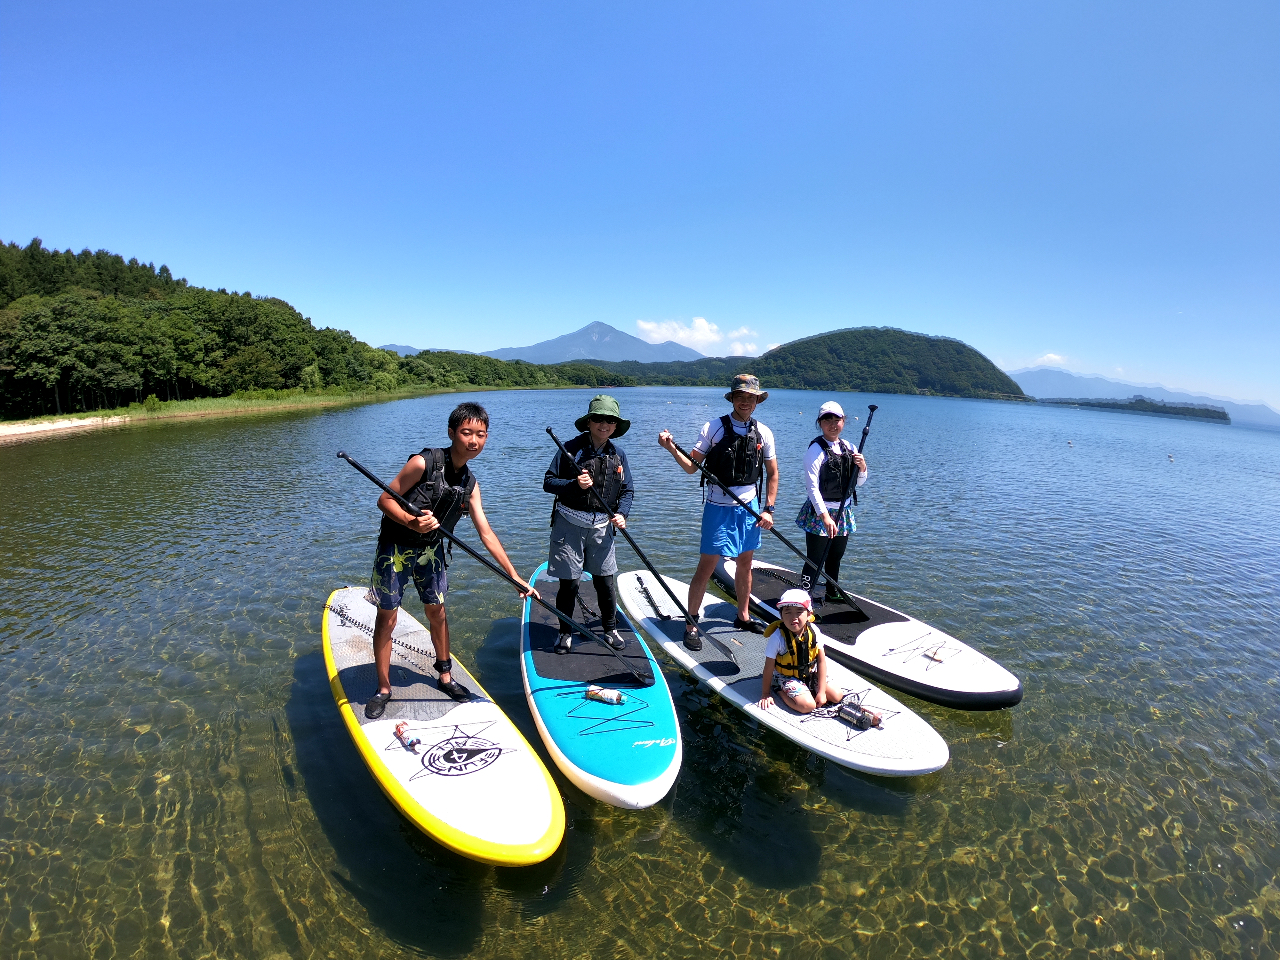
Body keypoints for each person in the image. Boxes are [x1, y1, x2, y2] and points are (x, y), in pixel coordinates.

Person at [365, 401, 537, 720]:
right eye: (466, 432)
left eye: (481, 435)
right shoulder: (423, 462)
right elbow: (384, 498)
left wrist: (513, 576)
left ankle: (445, 675)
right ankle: (383, 688)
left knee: (438, 612)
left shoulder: (470, 485)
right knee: (387, 617)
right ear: (451, 433)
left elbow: (485, 532)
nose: (474, 440)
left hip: (431, 551)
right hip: (396, 549)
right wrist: (410, 521)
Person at [658, 373, 779, 649]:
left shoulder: (764, 433)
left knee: (745, 564)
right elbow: (691, 466)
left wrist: (768, 509)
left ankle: (743, 615)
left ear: (757, 401)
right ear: (732, 398)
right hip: (718, 508)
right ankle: (691, 622)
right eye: (740, 396)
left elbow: (772, 474)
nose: (745, 402)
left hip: (750, 511)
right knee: (707, 567)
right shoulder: (713, 427)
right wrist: (670, 448)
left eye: (751, 397)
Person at [543, 395, 635, 654]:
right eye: (598, 419)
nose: (603, 424)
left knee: (605, 581)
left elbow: (627, 491)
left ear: (616, 426)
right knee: (569, 583)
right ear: (589, 422)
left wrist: (623, 514)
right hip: (569, 523)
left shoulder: (619, 455)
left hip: (603, 526)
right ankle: (564, 633)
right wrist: (574, 485)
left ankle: (610, 629)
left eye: (610, 420)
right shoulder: (570, 450)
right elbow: (548, 482)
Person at [797, 400, 867, 604]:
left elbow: (859, 483)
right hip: (821, 513)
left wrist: (862, 467)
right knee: (815, 559)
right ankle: (804, 599)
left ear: (843, 422)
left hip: (843, 512)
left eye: (837, 419)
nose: (833, 423)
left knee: (836, 556)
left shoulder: (850, 447)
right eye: (827, 419)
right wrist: (825, 517)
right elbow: (812, 487)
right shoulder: (815, 450)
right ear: (820, 422)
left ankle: (832, 590)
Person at [757, 589, 843, 714]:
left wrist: (821, 692)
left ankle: (810, 689)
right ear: (781, 615)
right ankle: (778, 689)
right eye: (788, 612)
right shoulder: (777, 637)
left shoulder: (814, 631)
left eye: (799, 612)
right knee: (808, 706)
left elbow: (821, 661)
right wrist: (765, 694)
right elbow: (769, 667)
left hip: (810, 672)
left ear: (809, 614)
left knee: (836, 696)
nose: (794, 618)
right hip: (787, 676)